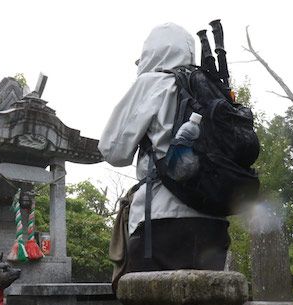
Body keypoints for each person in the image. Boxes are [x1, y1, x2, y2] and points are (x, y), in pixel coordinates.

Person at [98, 22, 230, 275]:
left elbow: (113, 152)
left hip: (161, 220)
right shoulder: (214, 89)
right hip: (214, 222)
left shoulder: (152, 82)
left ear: (149, 53)